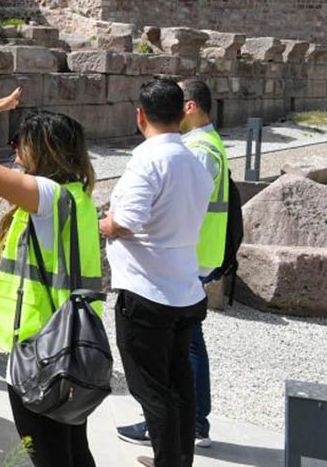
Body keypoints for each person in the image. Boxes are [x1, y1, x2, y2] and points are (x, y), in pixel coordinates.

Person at [0, 89, 101, 467]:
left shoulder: (46, 195)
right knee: (73, 445)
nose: (15, 152)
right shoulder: (79, 195)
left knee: (46, 451)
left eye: (19, 144)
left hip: (37, 342)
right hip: (69, 339)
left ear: (42, 149)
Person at [100, 79, 213, 467]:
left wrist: (106, 225)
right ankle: (179, 459)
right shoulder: (195, 159)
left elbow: (127, 221)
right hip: (184, 287)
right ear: (183, 112)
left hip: (147, 290)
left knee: (150, 388)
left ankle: (168, 461)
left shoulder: (148, 159)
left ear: (140, 115)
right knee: (179, 383)